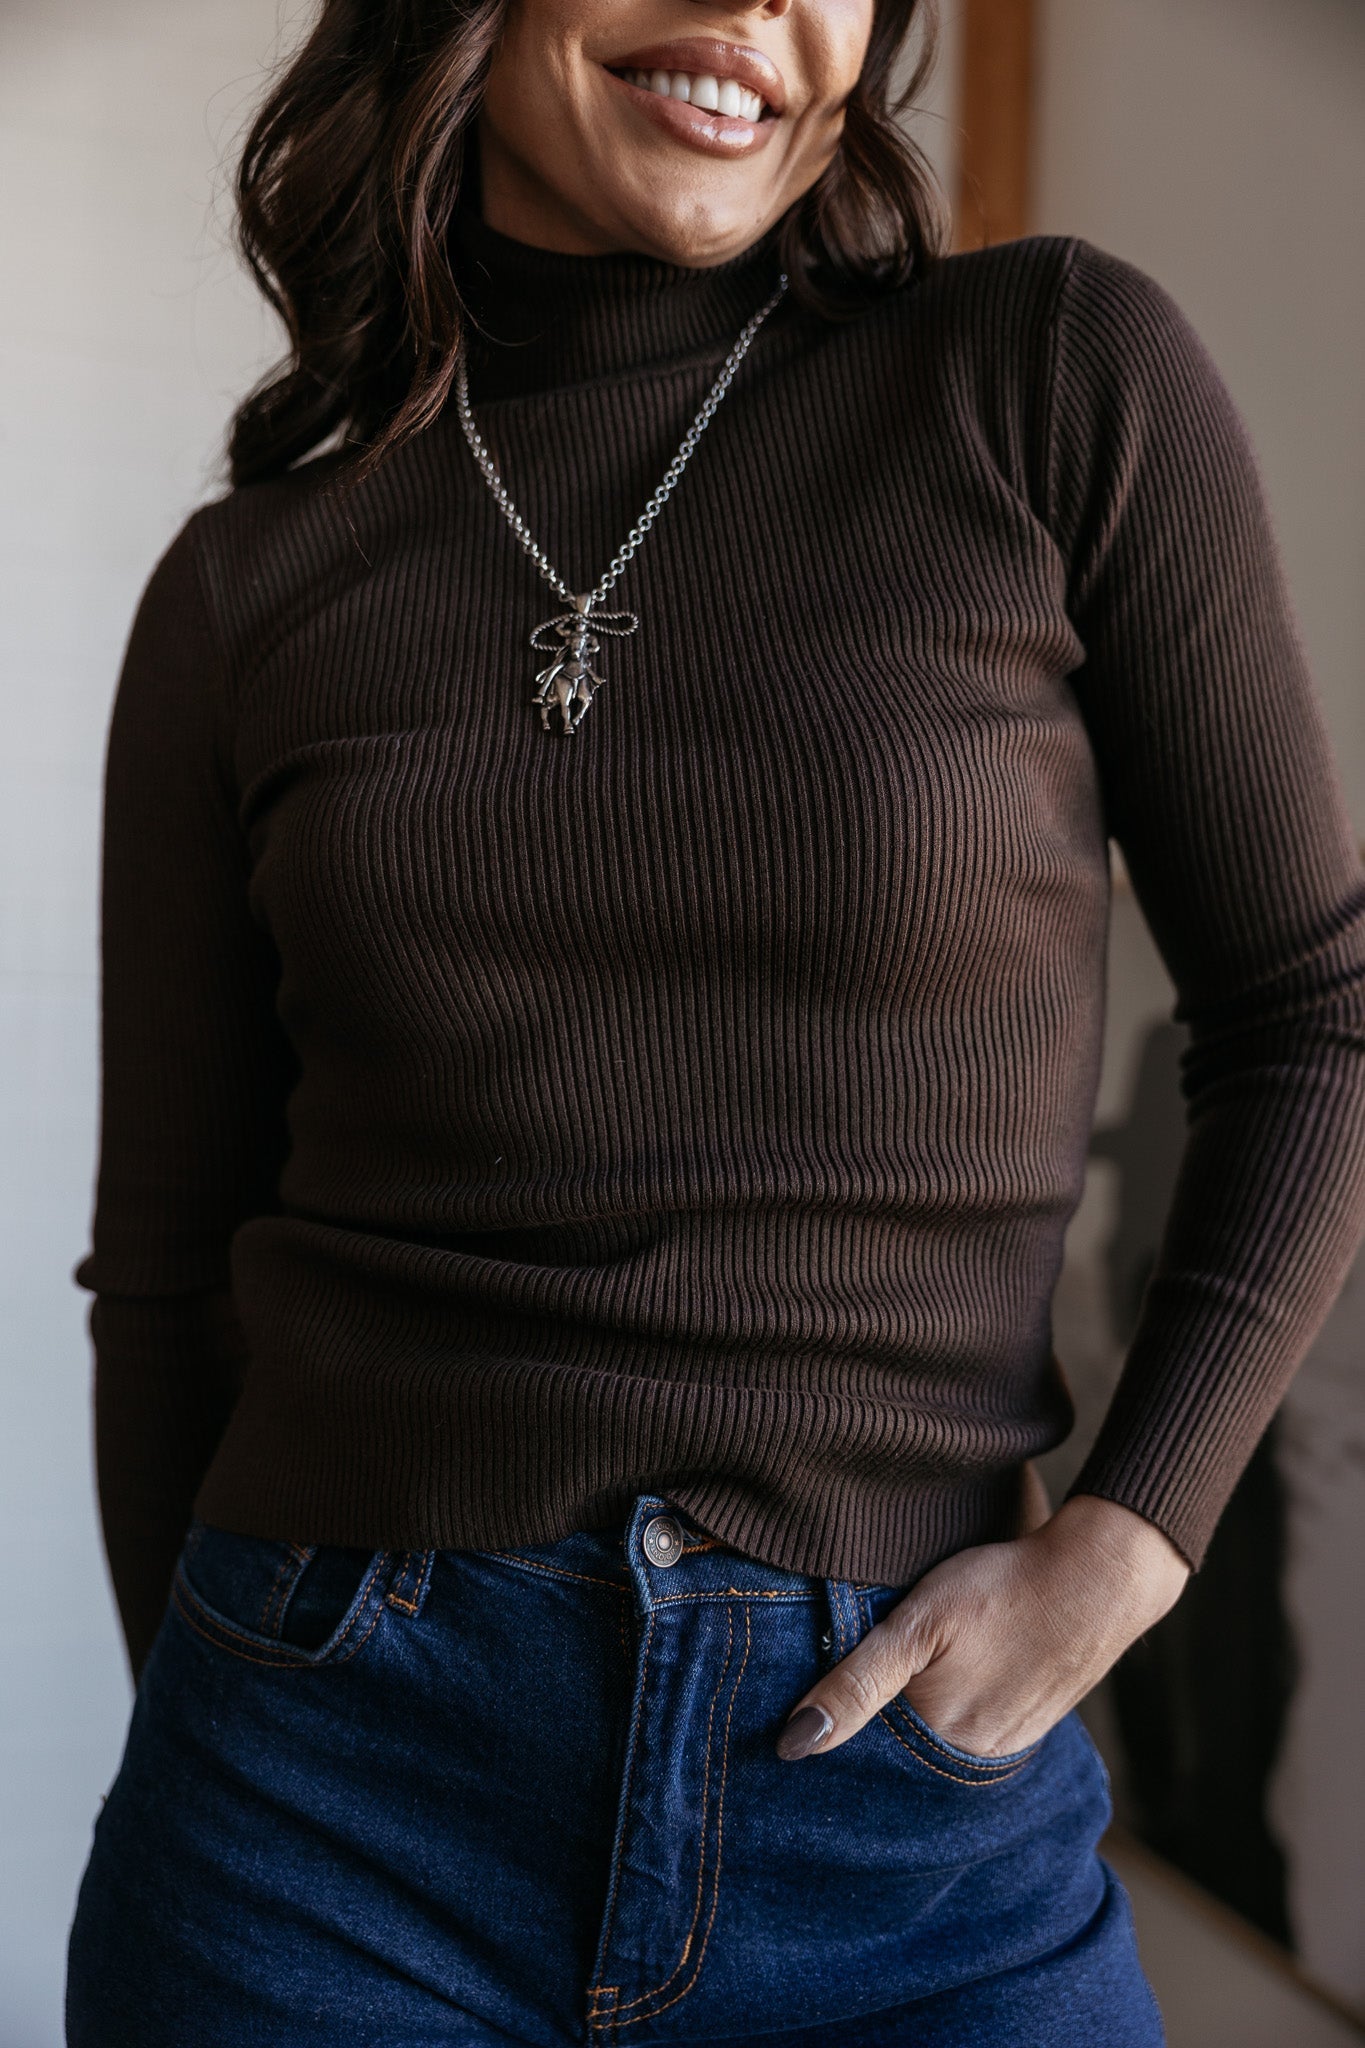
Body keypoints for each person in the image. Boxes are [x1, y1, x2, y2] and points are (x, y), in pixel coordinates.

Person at [63, 0, 1365, 2040]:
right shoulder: (248, 584)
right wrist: (233, 1739)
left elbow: (1313, 1015)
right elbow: (164, 1277)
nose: (764, 11)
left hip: (906, 1832)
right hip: (323, 1830)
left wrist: (1128, 1537)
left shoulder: (1042, 376)